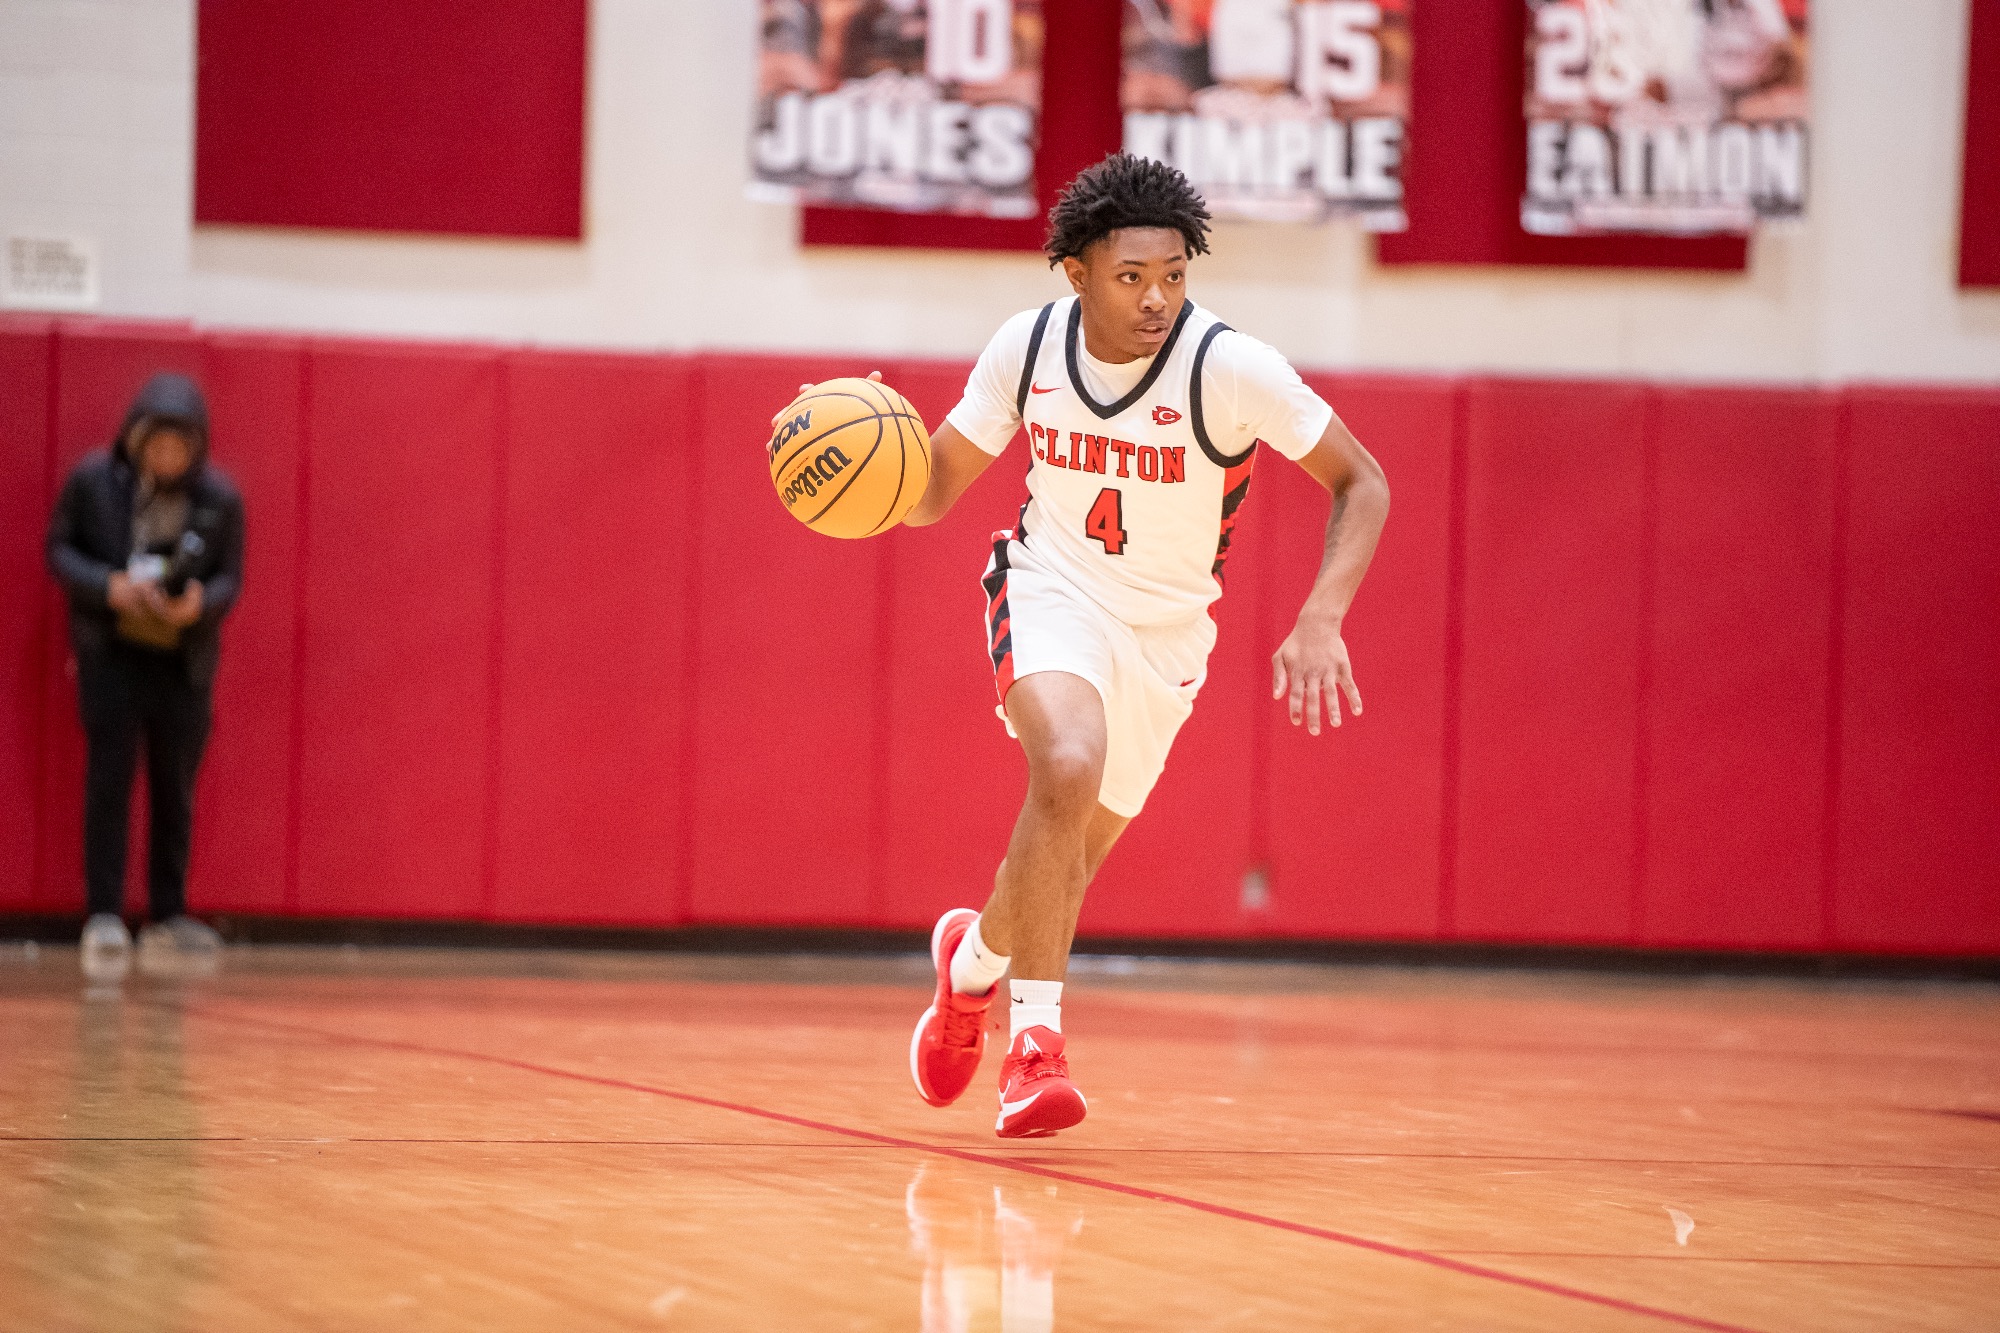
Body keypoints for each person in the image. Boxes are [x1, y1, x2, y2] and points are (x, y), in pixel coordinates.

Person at [903, 153, 1390, 1137]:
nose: (1157, 297)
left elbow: (1361, 481)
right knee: (1066, 764)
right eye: (1131, 277)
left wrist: (1321, 614)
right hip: (1050, 587)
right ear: (1076, 273)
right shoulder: (1027, 347)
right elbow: (926, 492)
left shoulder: (1229, 368)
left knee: (1062, 863)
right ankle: (1033, 1051)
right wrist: (853, 472)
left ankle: (969, 971)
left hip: (1167, 635)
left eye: (1173, 275)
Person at [46, 373, 244, 980]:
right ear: (133, 436)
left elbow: (231, 577)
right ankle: (104, 913)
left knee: (174, 785)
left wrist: (199, 604)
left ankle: (167, 913)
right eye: (155, 442)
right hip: (112, 652)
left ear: (197, 448)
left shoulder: (220, 499)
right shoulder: (92, 482)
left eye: (179, 447)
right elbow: (59, 550)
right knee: (109, 779)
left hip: (181, 661)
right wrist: (108, 587)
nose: (165, 456)